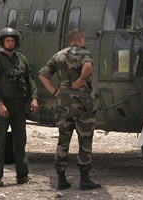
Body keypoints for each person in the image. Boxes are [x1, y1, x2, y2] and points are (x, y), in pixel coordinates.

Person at [38, 28, 101, 191]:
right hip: (82, 105)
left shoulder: (58, 55)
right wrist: (81, 79)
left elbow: (42, 75)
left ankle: (61, 178)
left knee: (63, 140)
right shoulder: (84, 53)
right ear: (80, 39)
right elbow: (88, 66)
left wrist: (54, 91)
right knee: (85, 140)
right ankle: (85, 179)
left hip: (63, 104)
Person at [0, 27, 39, 187]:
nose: (10, 43)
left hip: (19, 105)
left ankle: (22, 175)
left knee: (20, 140)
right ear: (3, 42)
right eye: (7, 40)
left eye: (12, 40)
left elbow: (30, 79)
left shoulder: (21, 59)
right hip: (4, 105)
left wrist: (34, 97)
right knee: (0, 141)